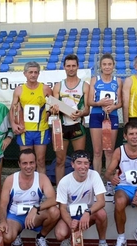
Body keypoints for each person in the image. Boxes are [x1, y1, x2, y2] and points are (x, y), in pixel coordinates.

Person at [0, 148, 60, 246]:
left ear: (36, 163)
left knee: (54, 211)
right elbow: (3, 205)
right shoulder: (10, 179)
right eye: (25, 163)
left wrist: (36, 209)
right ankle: (16, 233)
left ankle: (41, 237)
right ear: (19, 164)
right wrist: (3, 221)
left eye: (31, 163)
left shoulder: (42, 178)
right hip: (15, 216)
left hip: (35, 216)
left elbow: (54, 199)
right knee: (7, 238)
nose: (28, 166)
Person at [54, 150, 115, 246]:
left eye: (86, 163)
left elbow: (101, 201)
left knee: (101, 213)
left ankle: (102, 243)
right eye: (79, 163)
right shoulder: (64, 182)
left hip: (88, 214)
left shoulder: (94, 175)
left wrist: (87, 212)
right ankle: (69, 237)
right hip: (70, 215)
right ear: (72, 164)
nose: (83, 166)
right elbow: (62, 208)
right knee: (60, 234)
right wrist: (70, 222)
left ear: (89, 164)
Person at [51, 54, 90, 185]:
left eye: (73, 66)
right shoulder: (58, 86)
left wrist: (81, 113)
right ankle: (60, 190)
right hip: (61, 127)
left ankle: (81, 188)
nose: (71, 68)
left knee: (80, 160)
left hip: (77, 126)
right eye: (68, 66)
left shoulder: (85, 85)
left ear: (78, 66)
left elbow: (87, 110)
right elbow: (53, 108)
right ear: (64, 67)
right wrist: (55, 110)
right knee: (60, 160)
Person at [88, 53, 123, 197]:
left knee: (109, 151)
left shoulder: (118, 81)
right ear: (101, 66)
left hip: (111, 116)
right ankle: (97, 184)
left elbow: (120, 102)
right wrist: (99, 103)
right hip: (97, 115)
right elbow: (90, 101)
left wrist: (113, 107)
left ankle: (109, 183)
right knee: (97, 152)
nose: (107, 67)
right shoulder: (94, 80)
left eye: (109, 64)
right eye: (104, 64)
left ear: (113, 66)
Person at [10, 61, 53, 175]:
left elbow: (55, 105)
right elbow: (13, 109)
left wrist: (49, 113)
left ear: (39, 74)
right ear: (25, 74)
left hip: (41, 130)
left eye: (35, 72)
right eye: (30, 72)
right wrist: (14, 124)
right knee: (25, 162)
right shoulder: (19, 90)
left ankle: (41, 188)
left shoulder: (45, 89)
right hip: (24, 131)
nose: (33, 75)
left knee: (40, 161)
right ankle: (26, 188)